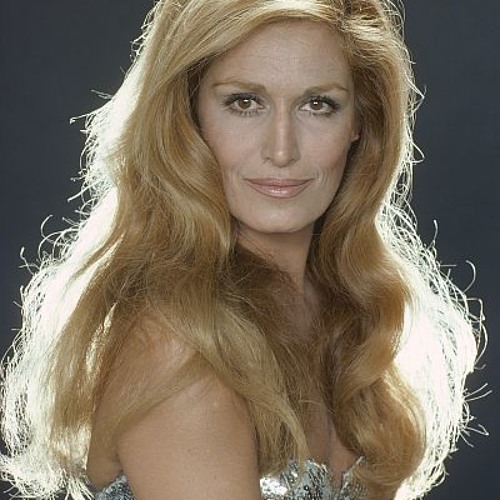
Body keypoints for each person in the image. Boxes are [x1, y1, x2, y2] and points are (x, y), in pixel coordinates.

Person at [0, 0, 482, 499]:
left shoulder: (343, 315)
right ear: (190, 116)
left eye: (318, 105)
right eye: (244, 103)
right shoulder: (178, 348)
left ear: (361, 120)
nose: (281, 150)